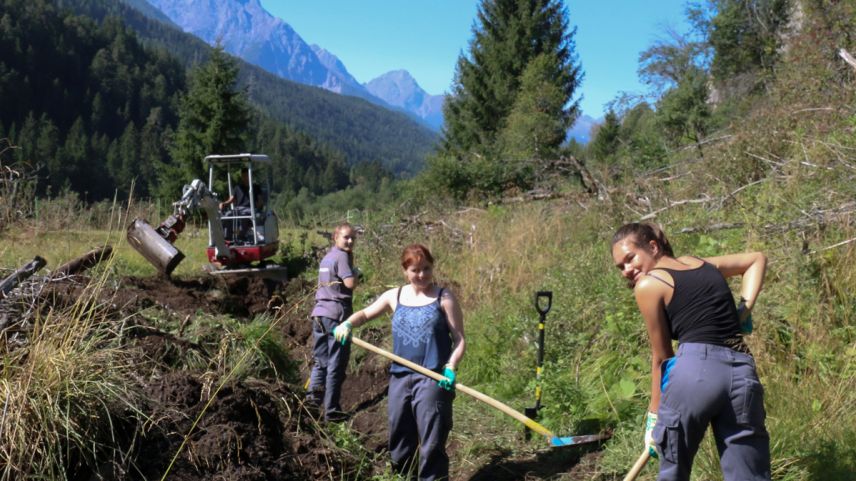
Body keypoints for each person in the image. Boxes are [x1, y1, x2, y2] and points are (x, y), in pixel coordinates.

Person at [611, 222, 770, 481]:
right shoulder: (702, 264)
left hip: (696, 372)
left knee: (674, 471)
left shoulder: (649, 285)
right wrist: (744, 311)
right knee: (749, 475)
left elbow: (662, 357)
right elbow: (756, 260)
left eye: (630, 259)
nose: (627, 270)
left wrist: (654, 416)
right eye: (621, 267)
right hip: (742, 373)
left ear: (653, 246)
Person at [333, 244, 465, 481]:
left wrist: (451, 366)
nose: (422, 275)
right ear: (405, 271)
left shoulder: (444, 297)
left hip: (433, 379)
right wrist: (348, 324)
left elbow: (459, 339)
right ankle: (403, 477)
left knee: (432, 440)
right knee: (400, 438)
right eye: (415, 270)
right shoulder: (394, 296)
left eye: (426, 268)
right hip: (400, 378)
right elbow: (364, 314)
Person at [306, 223, 360, 422]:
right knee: (336, 364)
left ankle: (311, 404)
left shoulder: (327, 257)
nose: (350, 241)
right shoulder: (342, 256)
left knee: (321, 362)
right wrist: (356, 272)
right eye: (346, 237)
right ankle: (332, 411)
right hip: (336, 316)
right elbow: (350, 283)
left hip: (319, 314)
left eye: (353, 238)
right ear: (335, 237)